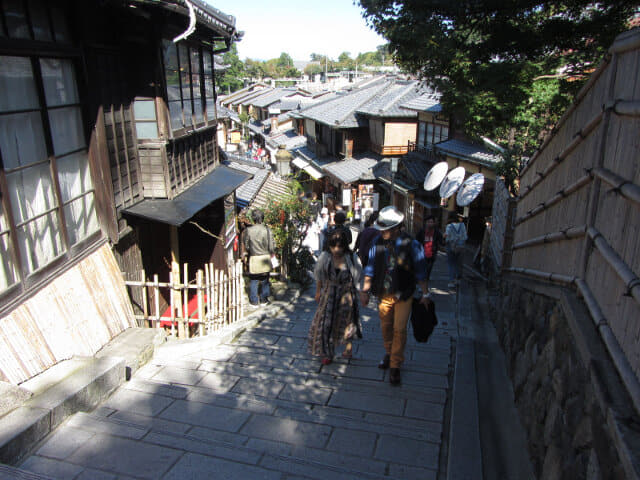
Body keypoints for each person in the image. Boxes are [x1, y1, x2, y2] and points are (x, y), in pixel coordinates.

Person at [359, 206, 431, 385]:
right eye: (381, 229)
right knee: (386, 327)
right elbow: (370, 267)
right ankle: (389, 353)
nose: (382, 232)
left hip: (404, 294)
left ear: (397, 227)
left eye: (386, 229)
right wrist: (364, 291)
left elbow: (421, 271)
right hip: (384, 293)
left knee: (399, 329)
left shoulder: (412, 244)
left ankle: (395, 365)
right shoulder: (378, 242)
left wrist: (425, 293)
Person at [308, 228, 362, 365]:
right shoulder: (325, 257)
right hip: (329, 293)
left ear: (345, 246)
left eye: (340, 246)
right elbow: (319, 275)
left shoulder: (351, 257)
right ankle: (328, 352)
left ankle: (348, 349)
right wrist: (318, 292)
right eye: (333, 246)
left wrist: (360, 292)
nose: (336, 249)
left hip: (346, 294)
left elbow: (358, 275)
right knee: (326, 323)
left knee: (348, 322)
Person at [242, 209, 275, 306]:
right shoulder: (267, 230)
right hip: (265, 257)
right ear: (262, 218)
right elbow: (272, 246)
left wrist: (251, 250)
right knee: (265, 279)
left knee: (254, 280)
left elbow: (246, 245)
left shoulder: (249, 230)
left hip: (254, 257)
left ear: (253, 218)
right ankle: (264, 299)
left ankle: (254, 301)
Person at [415, 215, 444, 283]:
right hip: (422, 253)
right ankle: (423, 282)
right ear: (425, 222)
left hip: (432, 253)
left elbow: (441, 242)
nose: (430, 223)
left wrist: (444, 239)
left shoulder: (436, 232)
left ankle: (425, 280)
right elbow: (416, 240)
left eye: (431, 222)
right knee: (423, 268)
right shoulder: (421, 231)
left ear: (434, 223)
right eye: (428, 222)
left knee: (429, 268)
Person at [444, 213, 468, 288]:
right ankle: (458, 279)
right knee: (459, 263)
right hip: (461, 247)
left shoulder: (449, 226)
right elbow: (465, 237)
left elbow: (446, 235)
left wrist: (444, 236)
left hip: (451, 247)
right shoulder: (463, 225)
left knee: (451, 263)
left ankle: (451, 281)